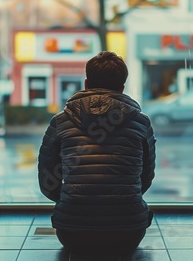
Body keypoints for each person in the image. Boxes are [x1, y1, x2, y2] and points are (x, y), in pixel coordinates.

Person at [37, 51, 156, 254]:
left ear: (86, 84)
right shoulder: (141, 122)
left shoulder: (60, 121)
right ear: (121, 88)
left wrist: (68, 200)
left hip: (72, 232)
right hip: (128, 232)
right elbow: (146, 177)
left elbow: (47, 180)